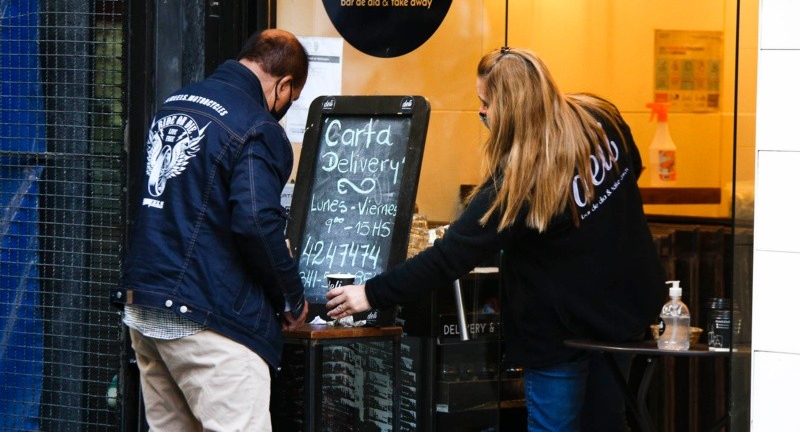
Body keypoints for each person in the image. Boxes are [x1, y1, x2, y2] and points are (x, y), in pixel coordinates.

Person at [326, 47, 665, 431]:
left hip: (562, 336)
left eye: (486, 103)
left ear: (513, 107)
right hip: (622, 313)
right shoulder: (601, 118)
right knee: (607, 425)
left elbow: (448, 258)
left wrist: (369, 294)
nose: (481, 112)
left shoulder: (518, 183)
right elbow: (632, 169)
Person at [111, 29, 309, 431]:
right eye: (291, 97)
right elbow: (256, 221)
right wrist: (291, 298)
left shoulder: (173, 103)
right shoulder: (258, 126)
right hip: (208, 319)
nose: (286, 107)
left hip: (146, 309)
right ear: (284, 84)